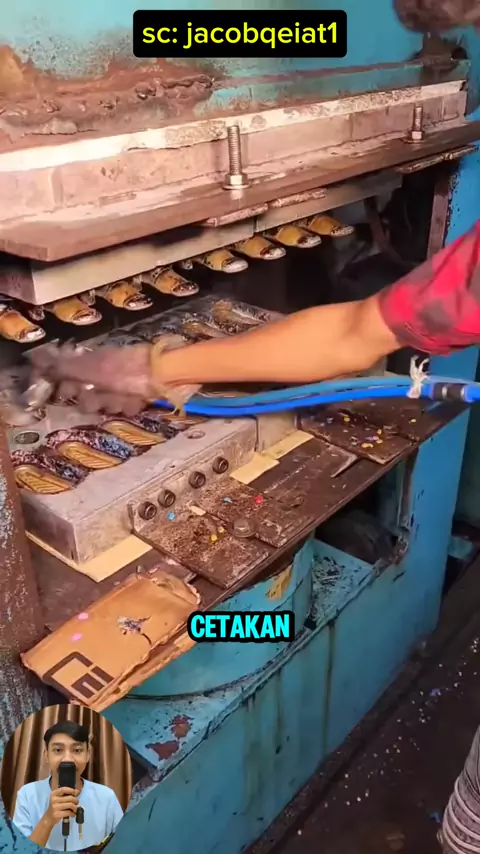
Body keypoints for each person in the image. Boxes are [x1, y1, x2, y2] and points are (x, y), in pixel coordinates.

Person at [12, 720, 123, 851]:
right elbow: (21, 849)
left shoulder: (107, 797)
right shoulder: (27, 794)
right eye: (58, 750)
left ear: (88, 755)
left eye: (77, 750)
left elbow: (122, 843)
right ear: (46, 755)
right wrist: (47, 820)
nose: (67, 759)